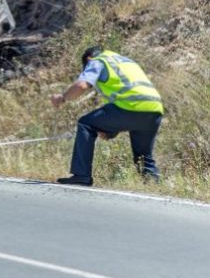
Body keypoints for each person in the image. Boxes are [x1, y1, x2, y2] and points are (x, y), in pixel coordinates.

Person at [50, 46, 164, 186]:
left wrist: (62, 97)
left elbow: (81, 86)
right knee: (143, 156)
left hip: (131, 106)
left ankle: (81, 175)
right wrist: (110, 131)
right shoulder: (126, 61)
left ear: (88, 59)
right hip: (154, 108)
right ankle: (155, 185)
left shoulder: (97, 61)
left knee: (86, 123)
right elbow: (117, 102)